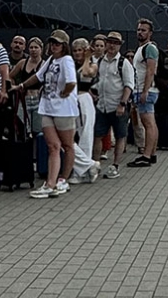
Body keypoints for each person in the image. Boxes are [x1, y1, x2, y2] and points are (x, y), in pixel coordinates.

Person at [10, 30, 78, 199]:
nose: (54, 46)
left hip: (64, 110)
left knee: (67, 145)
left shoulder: (66, 60)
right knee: (52, 145)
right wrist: (22, 86)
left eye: (58, 43)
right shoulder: (50, 60)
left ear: (64, 46)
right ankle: (50, 183)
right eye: (52, 43)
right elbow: (37, 77)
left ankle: (63, 179)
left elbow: (71, 81)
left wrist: (65, 92)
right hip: (47, 107)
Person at [92, 31, 134, 179]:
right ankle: (95, 165)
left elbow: (129, 85)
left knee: (120, 135)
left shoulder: (123, 63)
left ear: (120, 45)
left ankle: (115, 165)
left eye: (116, 43)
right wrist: (93, 93)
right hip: (101, 105)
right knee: (97, 135)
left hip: (117, 106)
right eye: (110, 42)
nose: (112, 46)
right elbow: (93, 80)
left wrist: (122, 103)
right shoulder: (99, 62)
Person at [67, 38, 100, 185]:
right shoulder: (70, 64)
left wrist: (87, 58)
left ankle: (81, 172)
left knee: (85, 135)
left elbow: (86, 73)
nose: (77, 53)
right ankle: (88, 166)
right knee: (70, 137)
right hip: (71, 100)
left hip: (84, 99)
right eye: (75, 50)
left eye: (80, 50)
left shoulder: (92, 64)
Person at [128, 19, 160, 167]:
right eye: (139, 29)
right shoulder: (142, 49)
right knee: (150, 123)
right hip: (142, 89)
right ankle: (151, 153)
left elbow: (150, 71)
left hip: (145, 90)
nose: (140, 32)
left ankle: (146, 156)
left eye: (143, 30)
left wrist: (145, 90)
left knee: (148, 124)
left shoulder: (149, 48)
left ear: (150, 33)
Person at [11, 37, 45, 134]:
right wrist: (15, 86)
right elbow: (9, 76)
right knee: (23, 128)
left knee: (37, 129)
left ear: (41, 49)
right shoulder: (23, 63)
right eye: (31, 47)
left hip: (38, 100)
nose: (33, 50)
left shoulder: (44, 65)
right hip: (24, 99)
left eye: (36, 47)